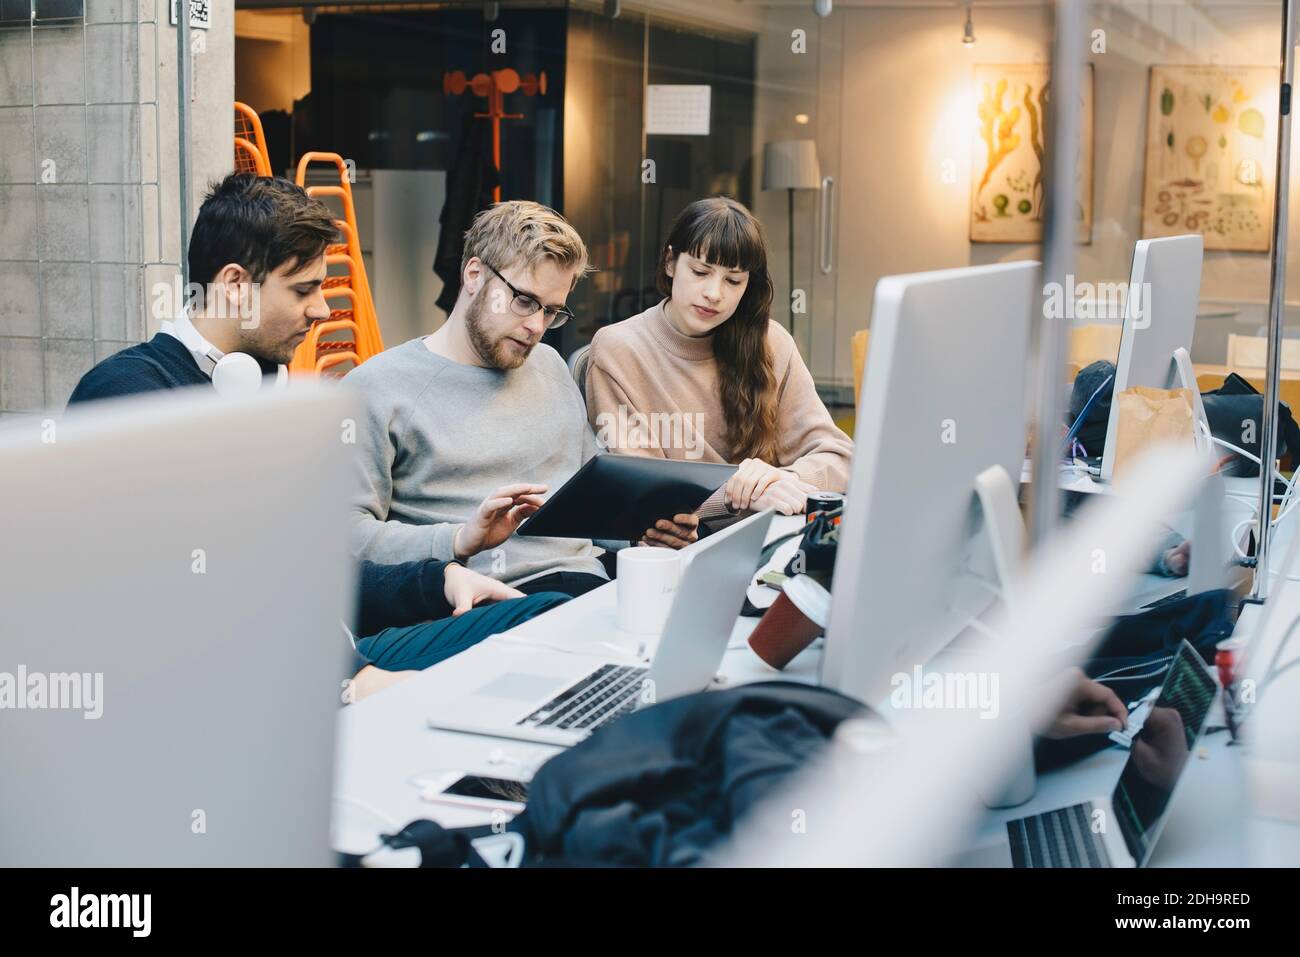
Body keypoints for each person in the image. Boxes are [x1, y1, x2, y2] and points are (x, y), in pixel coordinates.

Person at [66, 173, 563, 688]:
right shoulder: (125, 397)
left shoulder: (262, 388)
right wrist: (351, 680)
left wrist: (437, 580)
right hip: (240, 682)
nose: (322, 309)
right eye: (304, 289)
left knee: (548, 616)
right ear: (236, 286)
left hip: (329, 654)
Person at [347, 200, 700, 599]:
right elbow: (343, 536)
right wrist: (458, 540)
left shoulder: (549, 366)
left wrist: (641, 535)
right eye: (524, 301)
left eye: (551, 311)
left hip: (588, 586)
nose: (536, 326)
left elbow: (585, 503)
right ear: (475, 275)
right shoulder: (377, 387)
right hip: (483, 600)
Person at [584, 196, 853, 536]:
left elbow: (840, 457)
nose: (714, 293)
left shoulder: (772, 343)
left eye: (733, 280)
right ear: (670, 262)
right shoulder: (618, 350)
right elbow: (642, 493)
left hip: (768, 536)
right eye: (700, 272)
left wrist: (781, 481)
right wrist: (736, 494)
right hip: (677, 550)